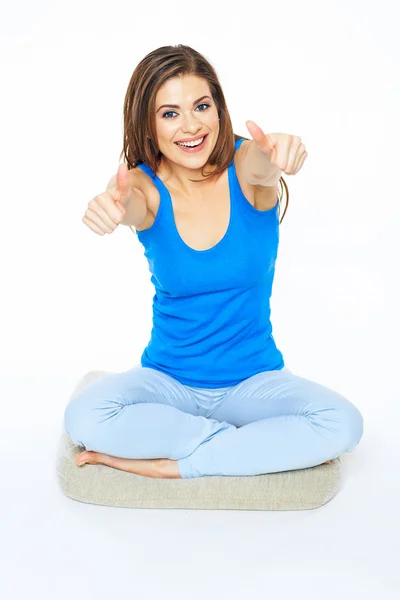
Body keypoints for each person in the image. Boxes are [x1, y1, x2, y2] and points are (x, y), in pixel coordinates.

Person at [64, 45, 364, 480]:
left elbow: (260, 166)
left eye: (201, 106)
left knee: (344, 423)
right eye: (169, 113)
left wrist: (276, 154)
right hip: (167, 382)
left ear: (219, 110)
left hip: (254, 384)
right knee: (84, 417)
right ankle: (240, 444)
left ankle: (182, 463)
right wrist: (113, 205)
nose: (190, 126)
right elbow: (128, 200)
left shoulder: (246, 166)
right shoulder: (145, 187)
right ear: (148, 124)